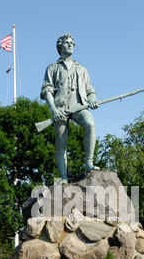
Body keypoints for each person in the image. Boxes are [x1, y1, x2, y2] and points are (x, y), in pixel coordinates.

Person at [40, 33, 100, 183]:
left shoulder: (82, 69)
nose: (71, 44)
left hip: (79, 106)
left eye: (72, 42)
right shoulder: (52, 68)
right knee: (61, 144)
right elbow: (47, 91)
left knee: (90, 125)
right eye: (67, 42)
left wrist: (92, 100)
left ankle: (89, 162)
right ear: (60, 46)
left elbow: (90, 90)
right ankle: (63, 177)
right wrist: (54, 110)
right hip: (60, 109)